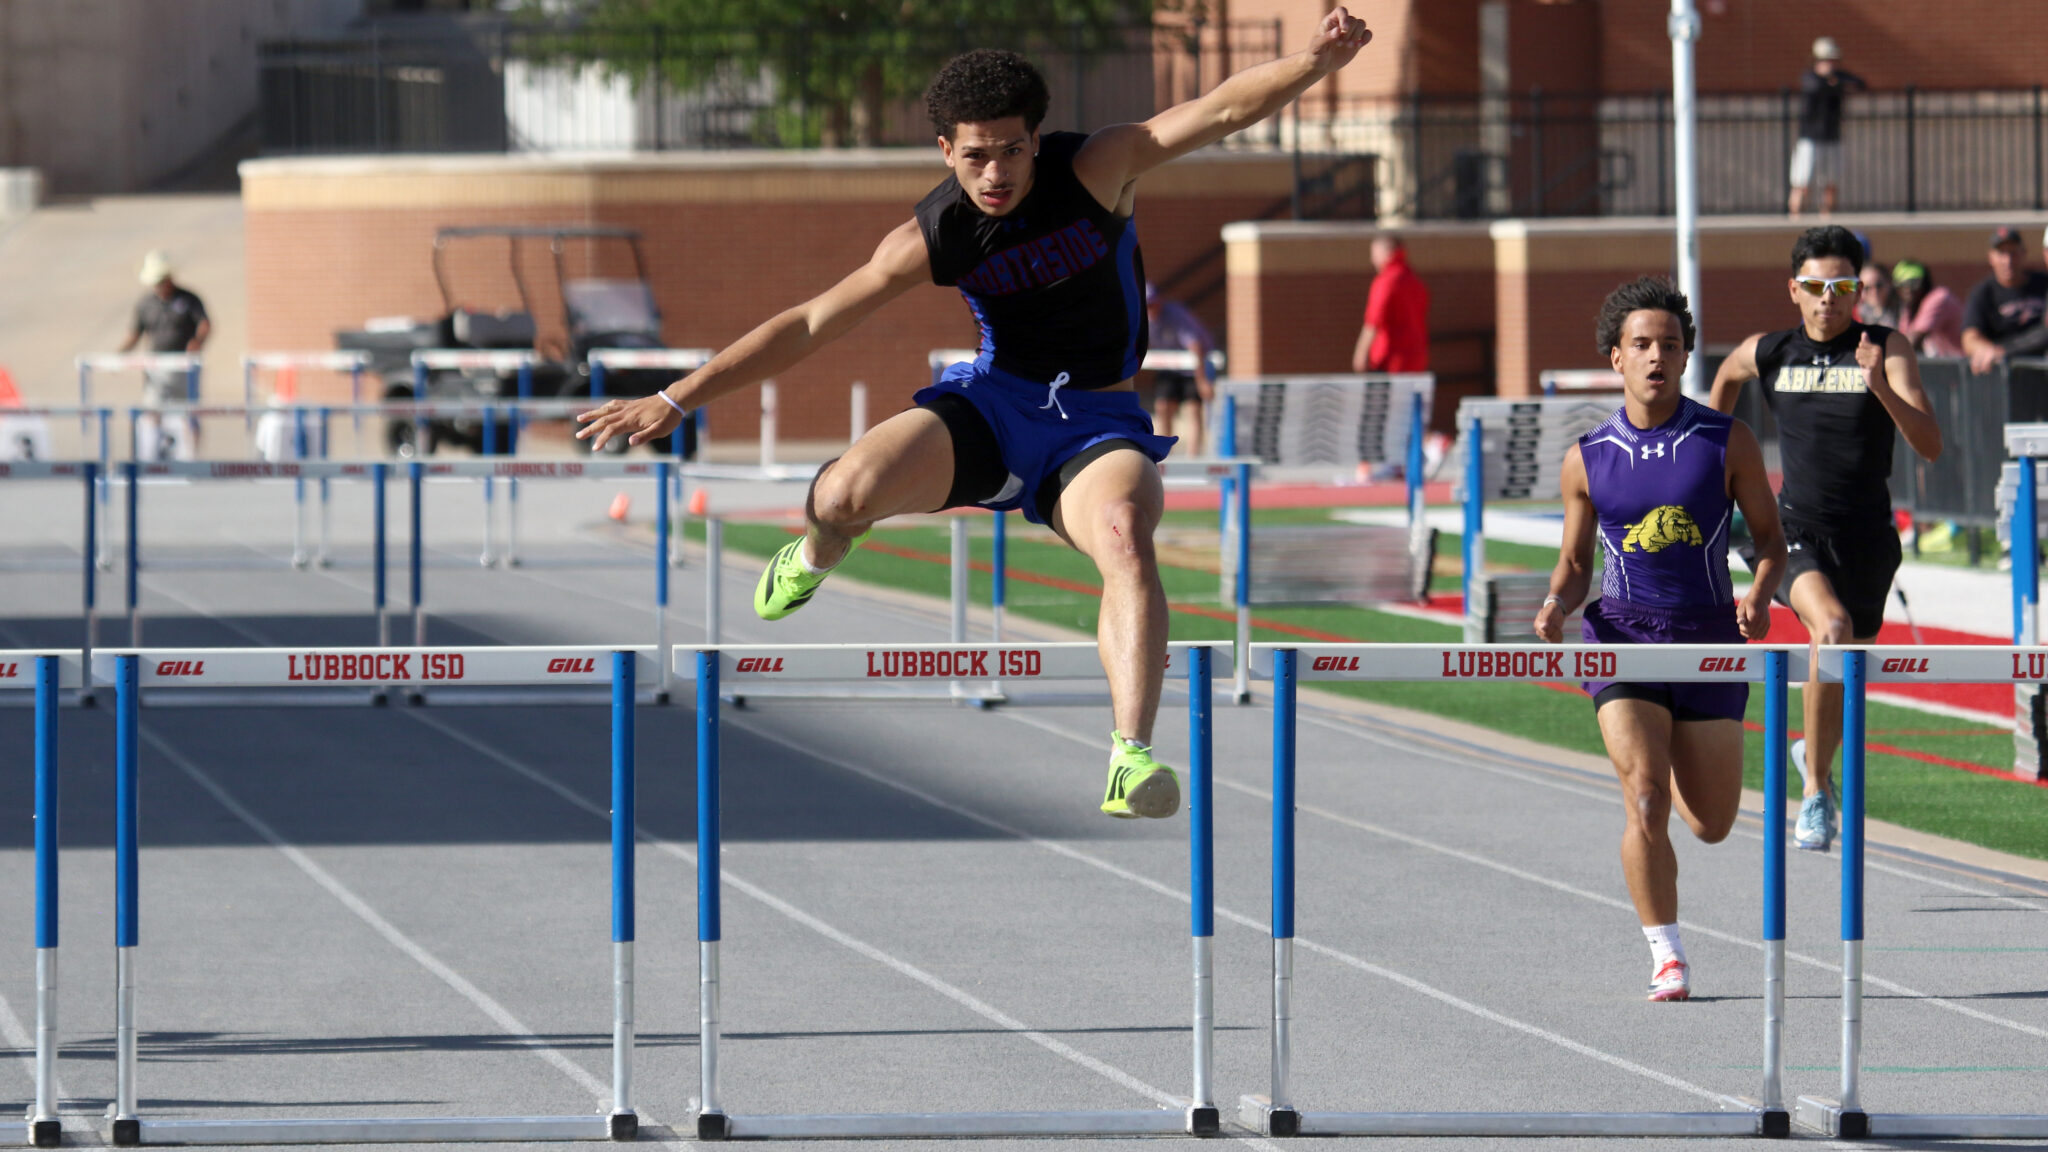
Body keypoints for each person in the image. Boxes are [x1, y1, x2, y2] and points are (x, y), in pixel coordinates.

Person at [577, 13, 1377, 819]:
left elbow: (1220, 110)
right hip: (994, 406)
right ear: (946, 152)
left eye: (1011, 150)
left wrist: (1313, 61)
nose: (994, 172)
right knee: (844, 494)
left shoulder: (1097, 168)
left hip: (1097, 424)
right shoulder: (935, 234)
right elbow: (813, 323)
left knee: (1127, 537)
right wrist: (678, 396)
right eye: (974, 155)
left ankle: (1129, 758)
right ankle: (817, 549)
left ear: (1037, 138)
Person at [1535, 277, 1784, 1002]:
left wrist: (1761, 596)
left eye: (1669, 345)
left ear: (1685, 357)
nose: (1656, 357)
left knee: (1709, 824)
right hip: (1622, 636)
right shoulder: (1587, 457)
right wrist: (1555, 604)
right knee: (1645, 800)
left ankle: (1667, 751)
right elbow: (1577, 563)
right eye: (1641, 345)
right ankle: (1666, 953)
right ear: (1616, 358)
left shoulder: (1725, 440)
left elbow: (1771, 541)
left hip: (1708, 639)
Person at [1709, 225, 1942, 852]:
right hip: (1793, 531)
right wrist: (1717, 457)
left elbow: (1930, 445)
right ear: (1795, 289)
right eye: (1814, 286)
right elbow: (1728, 375)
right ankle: (1814, 793)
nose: (1828, 298)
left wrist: (1881, 387)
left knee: (1840, 669)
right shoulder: (1772, 351)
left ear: (1858, 289)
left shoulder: (1886, 348)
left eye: (1841, 286)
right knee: (1830, 631)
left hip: (1867, 538)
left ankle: (1812, 752)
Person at [117, 250, 210, 459]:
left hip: (183, 367)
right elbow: (135, 333)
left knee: (188, 413)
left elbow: (204, 324)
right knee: (152, 413)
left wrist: (197, 343)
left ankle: (192, 458)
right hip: (156, 367)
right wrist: (120, 354)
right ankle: (152, 458)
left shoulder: (188, 299)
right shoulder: (145, 303)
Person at [1787, 38, 1865, 218]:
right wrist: (1832, 83)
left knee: (1831, 181)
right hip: (1811, 137)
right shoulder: (1810, 77)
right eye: (1825, 60)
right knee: (1802, 181)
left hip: (1832, 136)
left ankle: (1827, 215)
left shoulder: (1838, 77)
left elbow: (1859, 83)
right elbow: (1815, 88)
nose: (1829, 64)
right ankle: (1795, 216)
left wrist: (1835, 83)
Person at [1962, 226, 2048, 374]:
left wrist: (2004, 351)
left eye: (2013, 253)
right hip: (2004, 378)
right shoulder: (1983, 293)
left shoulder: (2043, 283)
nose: (2008, 260)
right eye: (2001, 253)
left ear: (2024, 254)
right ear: (1991, 257)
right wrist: (1987, 351)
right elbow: (1970, 338)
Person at [1145, 283, 1218, 456]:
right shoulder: (1143, 318)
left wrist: (1202, 381)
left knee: (1193, 409)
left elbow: (1196, 346)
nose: (1150, 309)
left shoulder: (1176, 315)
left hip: (1193, 367)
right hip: (1170, 367)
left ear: (1159, 301)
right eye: (1145, 305)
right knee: (1163, 406)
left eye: (1152, 304)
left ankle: (1192, 457)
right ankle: (1164, 454)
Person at [1350, 234, 1429, 374]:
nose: (1372, 260)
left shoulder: (1386, 281)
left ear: (1386, 252)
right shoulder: (1413, 279)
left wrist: (1361, 353)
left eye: (1374, 254)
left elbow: (1373, 320)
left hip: (1390, 360)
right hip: (1416, 358)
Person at [1892, 260, 1965, 358]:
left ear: (1924, 283)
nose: (1907, 289)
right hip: (1943, 366)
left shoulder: (1939, 297)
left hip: (1962, 366)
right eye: (1901, 284)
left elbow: (1911, 343)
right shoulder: (1909, 309)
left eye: (1914, 283)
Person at [1855, 261, 1898, 328]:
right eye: (1867, 288)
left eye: (1879, 286)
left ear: (1889, 283)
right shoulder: (1855, 314)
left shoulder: (1904, 312)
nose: (1874, 292)